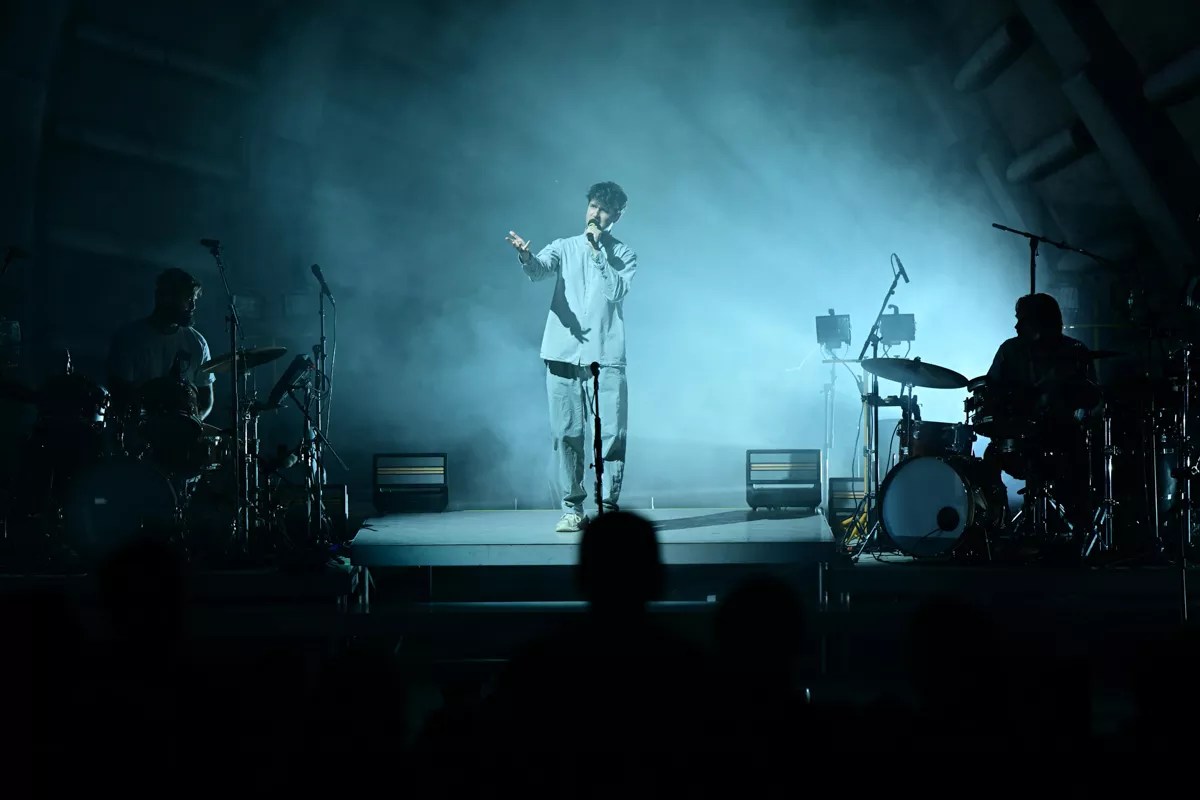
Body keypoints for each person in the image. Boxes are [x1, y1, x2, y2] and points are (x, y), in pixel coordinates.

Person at [506, 182, 637, 532]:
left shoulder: (624, 255)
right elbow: (538, 271)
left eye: (604, 210)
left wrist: (598, 254)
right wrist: (525, 256)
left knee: (610, 435)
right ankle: (572, 509)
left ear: (616, 217)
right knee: (566, 433)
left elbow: (616, 290)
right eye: (593, 206)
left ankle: (607, 507)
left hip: (605, 357)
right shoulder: (564, 247)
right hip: (562, 354)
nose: (595, 214)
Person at [983, 293, 1098, 554]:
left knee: (1079, 453)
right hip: (1020, 433)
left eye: (1021, 320)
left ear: (1039, 322)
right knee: (990, 459)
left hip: (1061, 434)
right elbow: (992, 390)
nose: (1016, 326)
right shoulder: (1010, 350)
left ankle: (1078, 529)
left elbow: (1092, 396)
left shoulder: (1074, 351)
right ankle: (994, 526)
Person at [106, 267, 215, 421]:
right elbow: (120, 393)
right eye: (188, 299)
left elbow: (205, 399)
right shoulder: (129, 339)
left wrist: (192, 425)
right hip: (138, 436)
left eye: (194, 300)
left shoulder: (198, 343)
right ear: (166, 298)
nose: (193, 307)